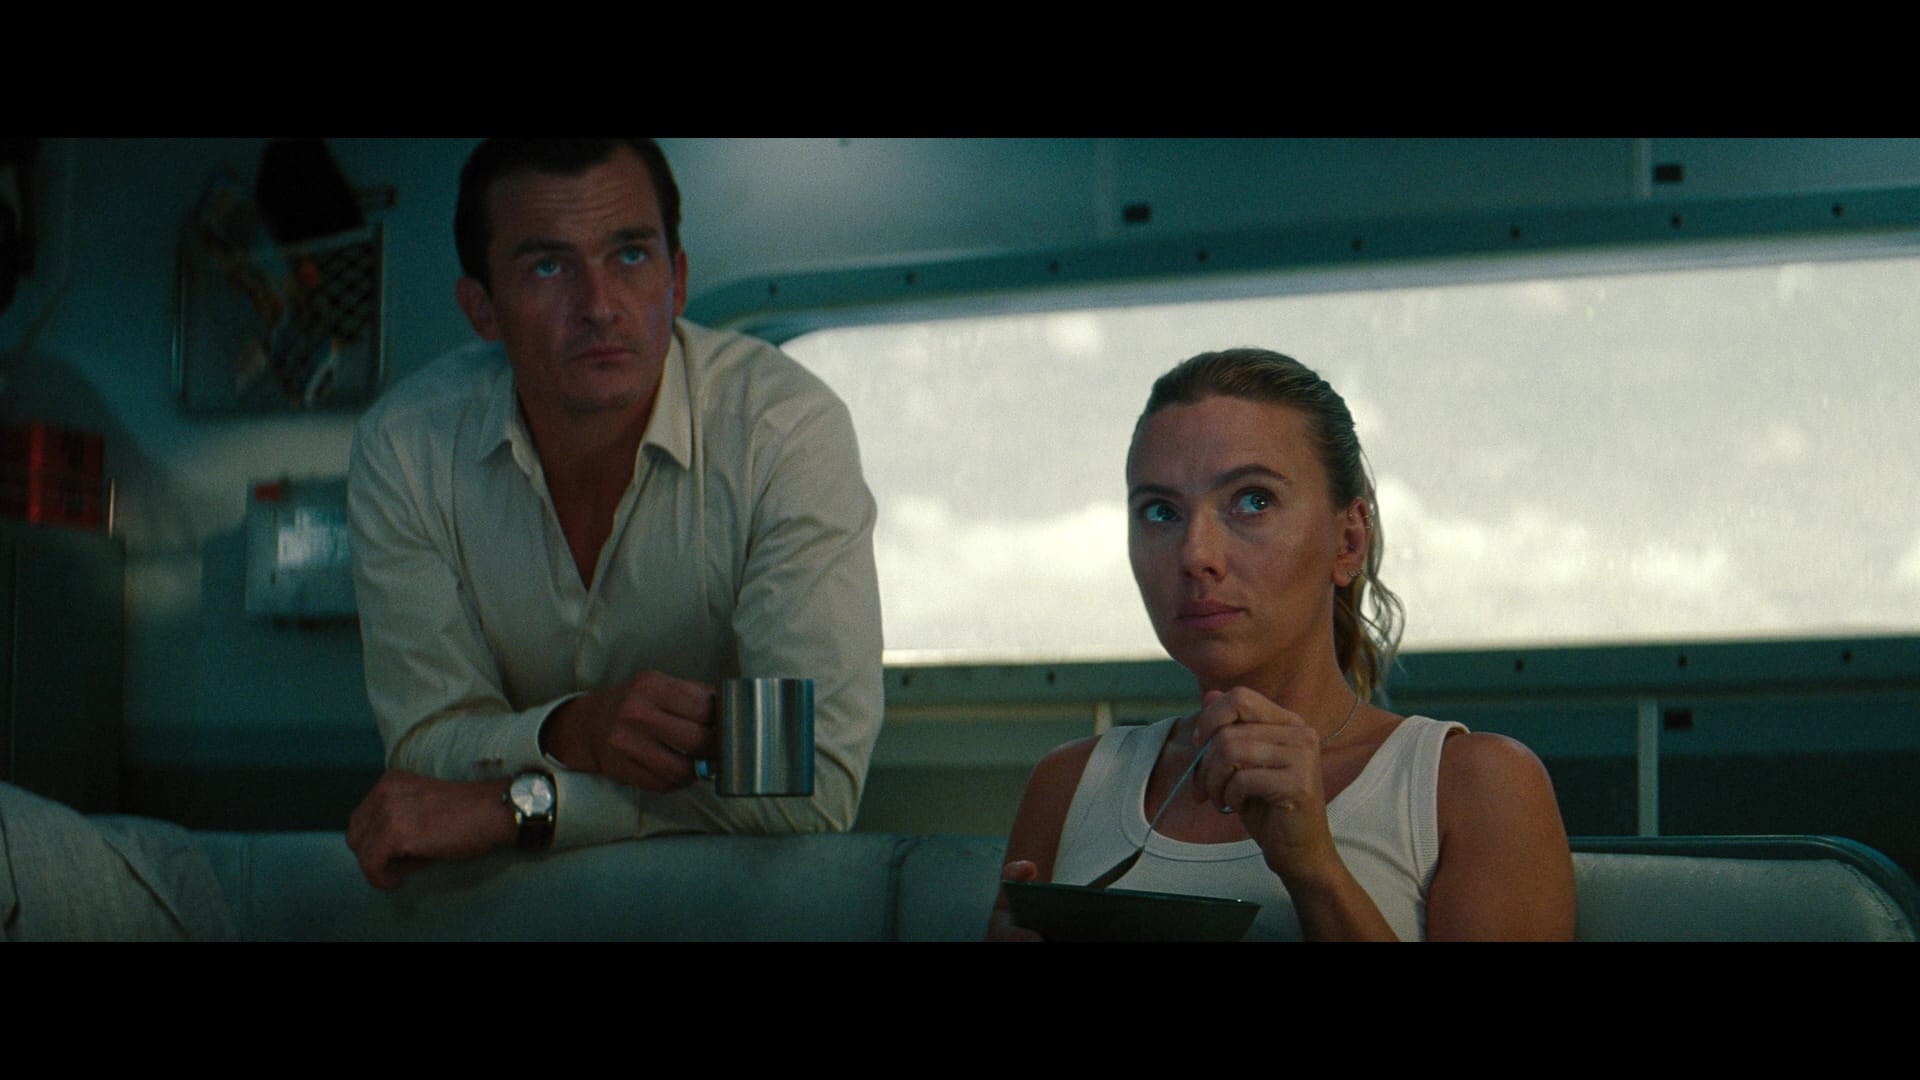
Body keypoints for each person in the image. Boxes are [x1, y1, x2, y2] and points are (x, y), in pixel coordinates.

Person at [344, 139, 883, 890]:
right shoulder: (407, 448)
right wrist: (573, 731)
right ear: (482, 309)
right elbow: (425, 744)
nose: (599, 306)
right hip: (506, 905)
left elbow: (810, 781)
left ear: (678, 279)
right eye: (548, 267)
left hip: (738, 903)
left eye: (630, 256)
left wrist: (528, 806)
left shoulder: (782, 431)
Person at [988, 348, 1575, 940]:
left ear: (1348, 542)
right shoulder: (1072, 783)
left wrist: (1315, 869)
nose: (1196, 554)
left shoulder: (1473, 784)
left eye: (1253, 501)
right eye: (1161, 511)